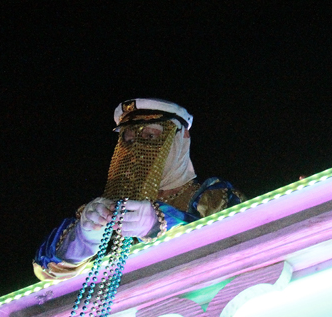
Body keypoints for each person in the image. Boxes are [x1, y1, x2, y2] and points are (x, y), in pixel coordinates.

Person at [34, 98, 243, 281]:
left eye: (151, 138)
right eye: (129, 140)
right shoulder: (109, 209)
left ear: (182, 138)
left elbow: (238, 245)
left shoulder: (216, 196)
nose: (138, 152)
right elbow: (45, 273)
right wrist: (83, 238)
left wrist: (160, 223)